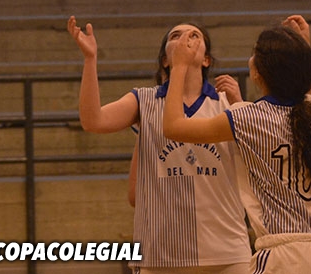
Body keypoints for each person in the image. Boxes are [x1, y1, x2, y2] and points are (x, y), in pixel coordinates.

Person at [162, 15, 311, 274]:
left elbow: (173, 127)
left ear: (258, 72)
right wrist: (304, 48)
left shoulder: (247, 117)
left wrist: (179, 66)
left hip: (285, 254)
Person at [67, 15, 251, 274]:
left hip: (227, 253)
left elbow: (255, 164)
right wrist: (90, 60)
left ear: (206, 59)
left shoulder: (227, 102)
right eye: (176, 36)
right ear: (166, 59)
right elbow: (93, 121)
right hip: (160, 255)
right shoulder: (143, 100)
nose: (185, 39)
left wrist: (240, 105)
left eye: (194, 35)